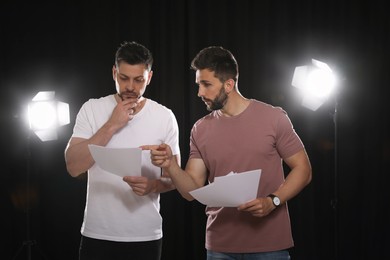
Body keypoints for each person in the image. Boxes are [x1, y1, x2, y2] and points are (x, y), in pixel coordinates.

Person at [143, 46, 312, 260]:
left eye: (206, 84)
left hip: (269, 245)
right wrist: (170, 165)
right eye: (199, 85)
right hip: (219, 247)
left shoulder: (274, 118)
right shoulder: (200, 129)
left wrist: (273, 201)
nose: (200, 93)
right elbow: (190, 191)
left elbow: (303, 169)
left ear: (229, 84)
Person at [64, 41, 180, 260]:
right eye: (124, 78)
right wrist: (111, 125)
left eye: (139, 80)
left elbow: (175, 179)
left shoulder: (165, 116)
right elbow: (73, 166)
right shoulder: (92, 108)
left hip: (145, 235)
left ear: (149, 78)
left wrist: (153, 185)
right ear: (114, 73)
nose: (130, 87)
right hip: (97, 233)